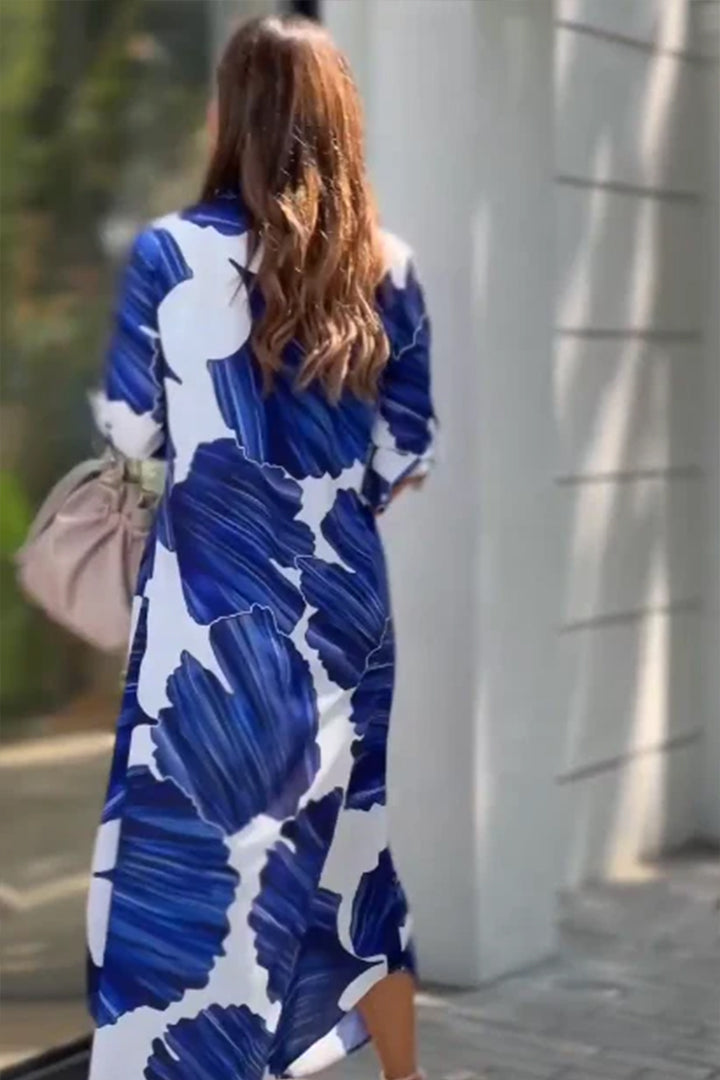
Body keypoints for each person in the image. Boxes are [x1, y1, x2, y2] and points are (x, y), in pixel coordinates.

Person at [86, 15, 435, 1080]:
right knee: (351, 855)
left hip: (209, 601)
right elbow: (404, 455)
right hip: (341, 608)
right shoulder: (386, 266)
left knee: (189, 856)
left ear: (232, 117)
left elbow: (129, 434)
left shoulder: (169, 253)